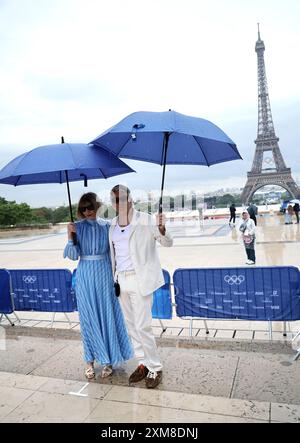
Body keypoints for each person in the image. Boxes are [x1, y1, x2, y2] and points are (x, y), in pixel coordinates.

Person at [109, 185, 173, 389]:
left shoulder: (146, 220)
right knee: (131, 326)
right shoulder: (111, 225)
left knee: (143, 325)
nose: (118, 202)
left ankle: (155, 367)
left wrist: (162, 229)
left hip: (140, 278)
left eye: (122, 198)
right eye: (114, 199)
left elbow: (167, 243)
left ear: (130, 199)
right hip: (121, 280)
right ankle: (143, 363)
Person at [64, 192, 133, 380]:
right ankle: (89, 361)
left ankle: (109, 360)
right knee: (88, 319)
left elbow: (118, 249)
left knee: (106, 315)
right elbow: (72, 256)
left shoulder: (108, 226)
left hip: (104, 274)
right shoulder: (76, 227)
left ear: (97, 207)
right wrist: (71, 237)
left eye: (90, 207)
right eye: (83, 209)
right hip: (85, 276)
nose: (87, 212)